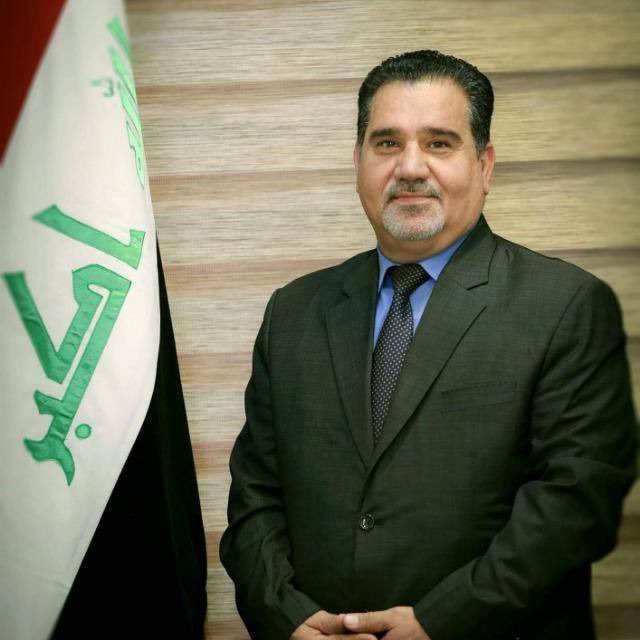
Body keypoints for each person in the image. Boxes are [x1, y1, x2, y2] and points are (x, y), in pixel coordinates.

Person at [219, 50, 637, 640]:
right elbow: (255, 497)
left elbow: (576, 505)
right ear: (358, 161)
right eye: (387, 143)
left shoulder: (566, 305)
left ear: (484, 165)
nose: (410, 166)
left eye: (439, 143)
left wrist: (440, 622)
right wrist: (288, 619)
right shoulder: (294, 312)